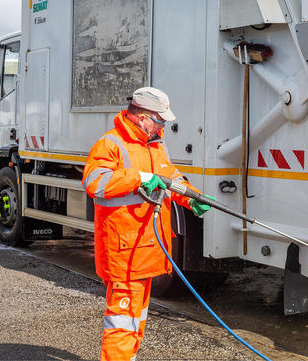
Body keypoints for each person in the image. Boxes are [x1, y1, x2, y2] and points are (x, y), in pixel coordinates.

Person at [82, 87, 212, 360]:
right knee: (122, 323)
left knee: (136, 319)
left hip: (144, 250)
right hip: (124, 252)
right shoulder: (111, 144)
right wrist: (138, 178)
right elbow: (94, 182)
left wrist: (191, 198)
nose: (164, 126)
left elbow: (169, 177)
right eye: (160, 120)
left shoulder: (155, 145)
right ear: (143, 118)